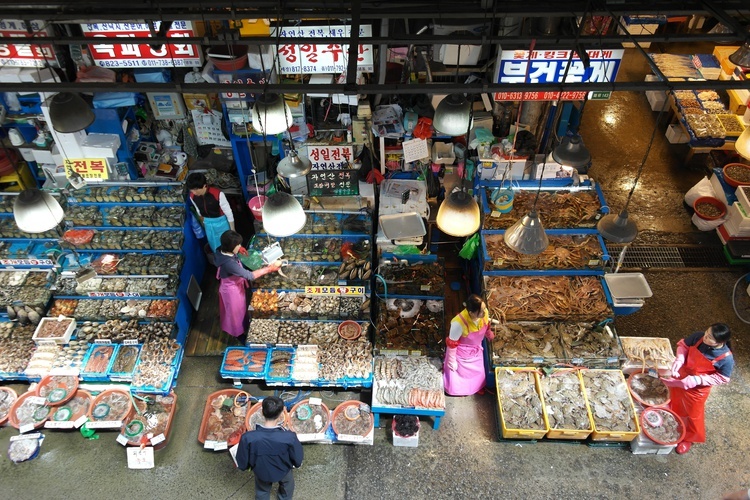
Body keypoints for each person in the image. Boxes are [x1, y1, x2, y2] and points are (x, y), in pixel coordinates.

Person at [662, 323, 733, 455]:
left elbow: (723, 378)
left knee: (692, 414)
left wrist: (698, 380)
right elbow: (684, 345)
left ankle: (688, 438)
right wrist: (680, 359)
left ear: (720, 342)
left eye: (710, 337)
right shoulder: (698, 337)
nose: (705, 337)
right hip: (682, 375)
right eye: (706, 332)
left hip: (698, 390)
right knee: (674, 400)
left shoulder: (726, 359)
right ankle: (670, 421)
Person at [214, 230, 281, 341]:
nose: (240, 246)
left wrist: (238, 250)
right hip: (232, 292)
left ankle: (244, 326)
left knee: (241, 311)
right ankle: (240, 336)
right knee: (235, 315)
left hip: (234, 286)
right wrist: (269, 269)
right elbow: (249, 275)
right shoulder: (229, 264)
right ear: (231, 247)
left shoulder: (221, 250)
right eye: (237, 245)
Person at [236, 396, 303, 500]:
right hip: (283, 471)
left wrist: (245, 467)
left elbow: (242, 462)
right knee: (287, 487)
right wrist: (295, 464)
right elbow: (298, 460)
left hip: (261, 471)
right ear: (281, 414)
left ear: (262, 412)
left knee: (262, 490)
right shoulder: (289, 437)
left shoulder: (248, 437)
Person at [443, 294, 495, 396]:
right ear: (471, 312)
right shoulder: (458, 323)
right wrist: (451, 361)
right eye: (481, 311)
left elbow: (486, 325)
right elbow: (452, 344)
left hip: (477, 352)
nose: (484, 312)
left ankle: (477, 387)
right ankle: (458, 391)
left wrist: (489, 334)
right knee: (461, 376)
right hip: (462, 355)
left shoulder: (485, 313)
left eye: (484, 309)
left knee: (477, 373)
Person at [187, 171, 235, 252]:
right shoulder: (192, 196)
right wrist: (203, 224)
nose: (194, 192)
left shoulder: (218, 194)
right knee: (214, 245)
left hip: (221, 222)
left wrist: (233, 229)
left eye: (196, 189)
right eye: (192, 190)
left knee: (227, 245)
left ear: (204, 186)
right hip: (208, 223)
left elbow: (229, 213)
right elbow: (198, 211)